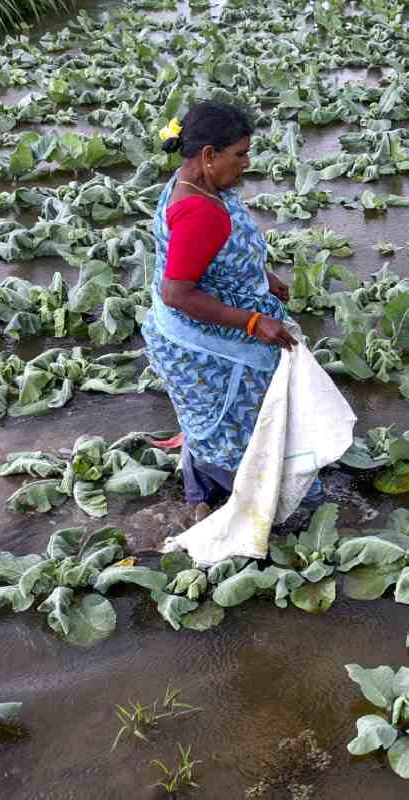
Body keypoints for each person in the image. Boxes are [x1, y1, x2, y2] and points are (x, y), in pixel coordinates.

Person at [143, 101, 317, 521]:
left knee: (213, 417)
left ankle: (201, 490)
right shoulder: (199, 211)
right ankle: (257, 505)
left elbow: (219, 256)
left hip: (197, 330)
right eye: (239, 154)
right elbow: (177, 292)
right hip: (208, 340)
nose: (247, 162)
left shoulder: (195, 183)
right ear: (208, 155)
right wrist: (254, 321)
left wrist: (262, 275)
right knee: (245, 425)